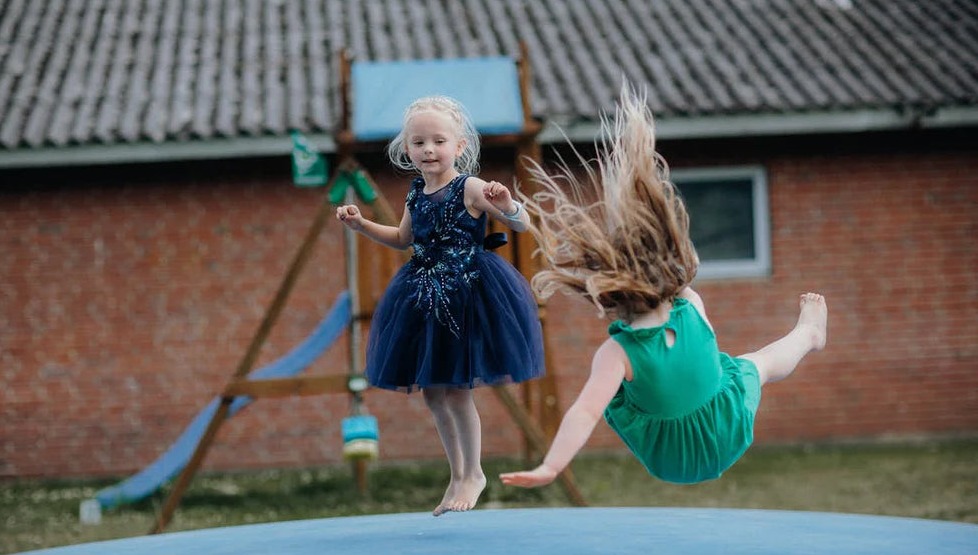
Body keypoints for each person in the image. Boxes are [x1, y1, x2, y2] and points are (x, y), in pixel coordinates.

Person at [499, 90, 826, 489]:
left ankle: (806, 334)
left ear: (607, 294)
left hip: (670, 455)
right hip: (724, 427)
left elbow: (584, 411)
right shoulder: (692, 305)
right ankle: (808, 334)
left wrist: (551, 467)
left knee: (669, 382)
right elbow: (681, 274)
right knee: (761, 363)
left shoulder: (617, 353)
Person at [337, 95, 545, 515]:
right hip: (424, 297)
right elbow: (401, 239)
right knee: (434, 395)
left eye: (438, 141)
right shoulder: (416, 195)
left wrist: (507, 205)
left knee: (456, 392)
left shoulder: (468, 186)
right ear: (406, 149)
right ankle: (456, 474)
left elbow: (522, 223)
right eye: (418, 142)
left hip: (467, 294)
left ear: (460, 146)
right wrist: (360, 225)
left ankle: (475, 473)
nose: (428, 150)